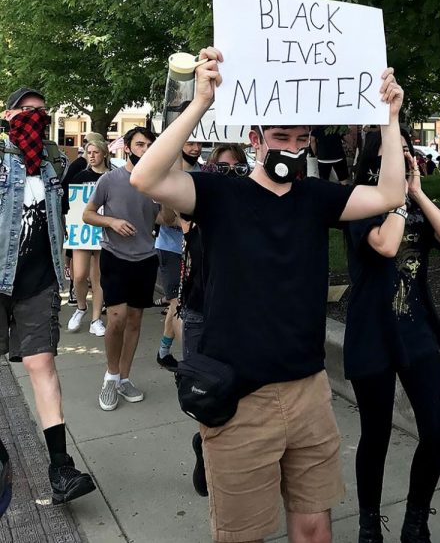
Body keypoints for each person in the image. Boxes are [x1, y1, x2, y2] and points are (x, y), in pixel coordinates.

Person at [130, 47, 406, 543]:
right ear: (254, 138)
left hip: (308, 392)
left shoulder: (316, 199)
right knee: (243, 535)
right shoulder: (218, 193)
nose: (291, 147)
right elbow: (145, 176)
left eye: (301, 139)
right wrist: (199, 103)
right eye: (280, 136)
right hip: (238, 397)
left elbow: (389, 195)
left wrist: (390, 118)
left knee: (315, 528)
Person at [345, 128, 440, 543]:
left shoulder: (413, 205)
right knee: (374, 434)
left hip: (416, 330)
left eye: (409, 152)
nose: (407, 158)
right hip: (372, 333)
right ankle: (368, 523)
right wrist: (395, 200)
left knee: (436, 430)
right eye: (398, 153)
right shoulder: (359, 201)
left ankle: (415, 520)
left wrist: (418, 194)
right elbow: (386, 247)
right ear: (377, 160)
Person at [0, 87, 95, 504]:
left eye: (42, 112)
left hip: (37, 281)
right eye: (27, 111)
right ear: (8, 114)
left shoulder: (55, 162)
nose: (36, 117)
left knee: (43, 367)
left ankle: (61, 468)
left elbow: (79, 201)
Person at [182, 142, 250, 500]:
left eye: (236, 169)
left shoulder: (251, 214)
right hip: (198, 313)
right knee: (204, 397)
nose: (228, 176)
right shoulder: (195, 210)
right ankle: (205, 449)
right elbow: (158, 182)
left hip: (234, 316)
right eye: (220, 169)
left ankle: (221, 457)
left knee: (235, 398)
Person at [83, 126, 159, 411]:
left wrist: (162, 198)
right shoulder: (110, 180)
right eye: (140, 145)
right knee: (116, 318)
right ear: (127, 148)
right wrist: (112, 222)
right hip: (114, 255)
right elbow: (88, 214)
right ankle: (111, 376)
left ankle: (125, 378)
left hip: (146, 258)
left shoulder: (156, 181)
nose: (146, 150)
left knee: (135, 321)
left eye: (150, 145)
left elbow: (165, 217)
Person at [155, 139, 202, 371]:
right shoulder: (163, 174)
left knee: (182, 304)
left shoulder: (203, 173)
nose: (194, 148)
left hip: (195, 248)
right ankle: (190, 360)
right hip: (171, 248)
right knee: (177, 302)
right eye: (189, 143)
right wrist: (178, 216)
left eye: (198, 143)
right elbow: (161, 218)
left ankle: (164, 351)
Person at [66, 139, 111, 337]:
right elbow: (70, 206)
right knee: (79, 275)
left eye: (95, 152)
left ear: (104, 154)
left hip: (103, 233)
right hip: (82, 232)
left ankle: (95, 319)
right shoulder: (79, 176)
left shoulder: (111, 177)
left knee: (99, 277)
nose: (91, 155)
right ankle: (81, 307)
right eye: (88, 152)